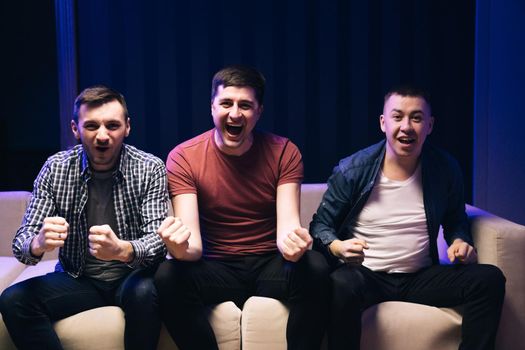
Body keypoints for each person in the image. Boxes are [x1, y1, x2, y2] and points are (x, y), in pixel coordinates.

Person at [310, 86, 506, 350]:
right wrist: (338, 247)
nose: (406, 126)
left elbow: (455, 221)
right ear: (383, 122)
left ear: (429, 125)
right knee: (340, 283)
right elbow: (320, 225)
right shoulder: (353, 169)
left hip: (420, 276)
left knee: (489, 279)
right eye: (397, 116)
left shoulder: (445, 168)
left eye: (416, 118)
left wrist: (460, 241)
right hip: (367, 275)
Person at [154, 65, 330, 350]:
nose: (235, 114)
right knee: (166, 276)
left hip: (269, 264)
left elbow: (287, 231)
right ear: (212, 107)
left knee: (317, 267)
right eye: (226, 103)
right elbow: (193, 246)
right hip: (215, 266)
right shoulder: (184, 157)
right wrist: (176, 247)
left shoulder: (284, 152)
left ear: (258, 111)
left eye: (245, 105)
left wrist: (294, 246)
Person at [0, 85, 168, 350]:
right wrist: (38, 243)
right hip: (78, 277)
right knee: (13, 299)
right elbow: (21, 244)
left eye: (112, 125)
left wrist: (122, 250)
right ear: (75, 129)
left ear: (127, 127)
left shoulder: (150, 167)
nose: (102, 136)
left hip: (132, 276)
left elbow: (158, 245)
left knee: (147, 291)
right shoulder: (56, 168)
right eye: (91, 126)